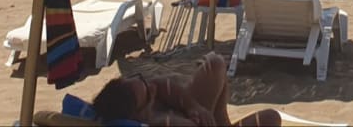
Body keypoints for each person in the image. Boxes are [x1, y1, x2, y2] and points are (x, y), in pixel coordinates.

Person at [92, 52, 280, 126]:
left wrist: (194, 107)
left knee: (215, 63)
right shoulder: (161, 123)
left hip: (201, 119)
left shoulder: (143, 98)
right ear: (137, 115)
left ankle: (221, 121)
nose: (152, 87)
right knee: (270, 119)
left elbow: (160, 85)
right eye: (149, 94)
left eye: (141, 78)